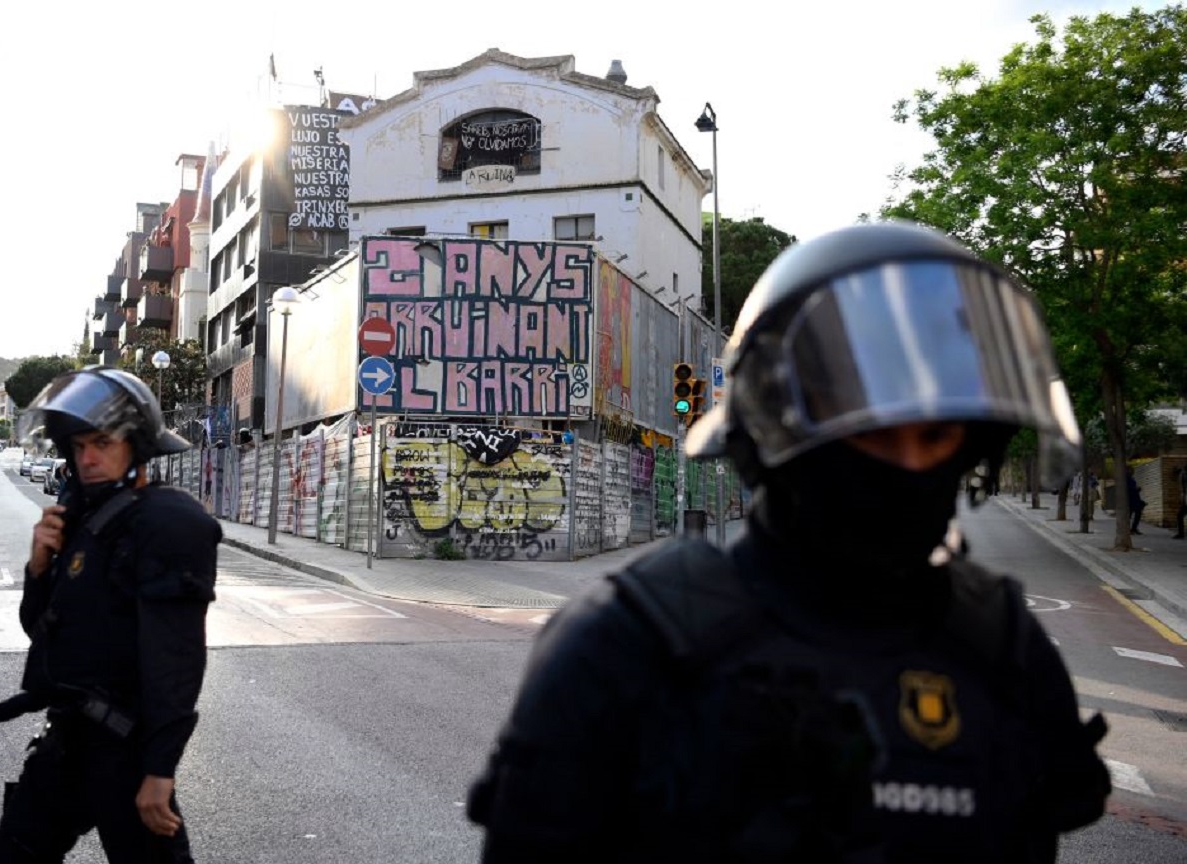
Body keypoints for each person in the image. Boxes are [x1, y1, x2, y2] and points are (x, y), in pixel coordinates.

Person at [467, 221, 1110, 863]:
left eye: (936, 437)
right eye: (874, 432)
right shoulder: (626, 643)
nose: (910, 466)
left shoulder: (1004, 652)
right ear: (774, 431)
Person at [0, 366, 221, 863]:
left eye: (102, 443)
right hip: (65, 743)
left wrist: (160, 770)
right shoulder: (82, 520)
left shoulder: (166, 522)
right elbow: (43, 630)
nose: (87, 458)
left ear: (134, 445)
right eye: (78, 446)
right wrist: (38, 565)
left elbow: (175, 659)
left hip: (125, 755)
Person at [1174, 466, 1186, 539]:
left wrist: (1182, 498)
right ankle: (1181, 533)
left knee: (1180, 515)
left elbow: (1183, 489)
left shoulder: (1183, 475)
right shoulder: (1183, 474)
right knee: (1180, 515)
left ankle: (1181, 534)